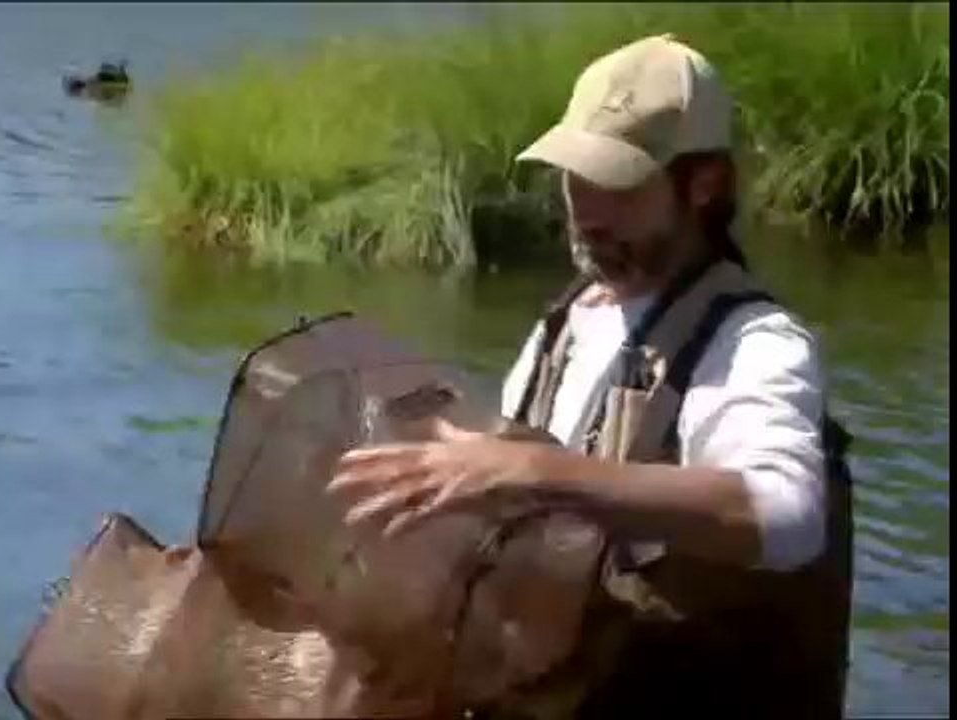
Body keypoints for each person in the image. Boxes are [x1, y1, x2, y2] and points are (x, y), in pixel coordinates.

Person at [326, 34, 853, 719]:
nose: (587, 210)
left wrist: (535, 472)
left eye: (619, 183)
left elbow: (785, 516)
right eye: (575, 175)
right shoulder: (565, 323)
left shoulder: (755, 341)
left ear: (704, 185)